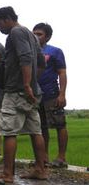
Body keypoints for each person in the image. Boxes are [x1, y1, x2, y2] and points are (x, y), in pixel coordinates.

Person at [0, 6, 47, 183]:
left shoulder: (15, 32)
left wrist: (26, 84)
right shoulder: (31, 35)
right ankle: (40, 169)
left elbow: (26, 57)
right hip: (31, 92)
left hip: (16, 91)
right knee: (35, 130)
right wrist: (32, 84)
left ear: (8, 19)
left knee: (8, 131)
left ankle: (7, 174)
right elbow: (41, 62)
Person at [33, 23, 68, 168]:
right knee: (41, 128)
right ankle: (44, 157)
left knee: (59, 124)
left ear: (47, 36)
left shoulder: (55, 51)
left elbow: (62, 73)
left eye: (39, 34)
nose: (36, 36)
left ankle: (61, 157)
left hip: (51, 93)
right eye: (33, 33)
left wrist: (62, 94)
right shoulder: (30, 52)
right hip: (35, 95)